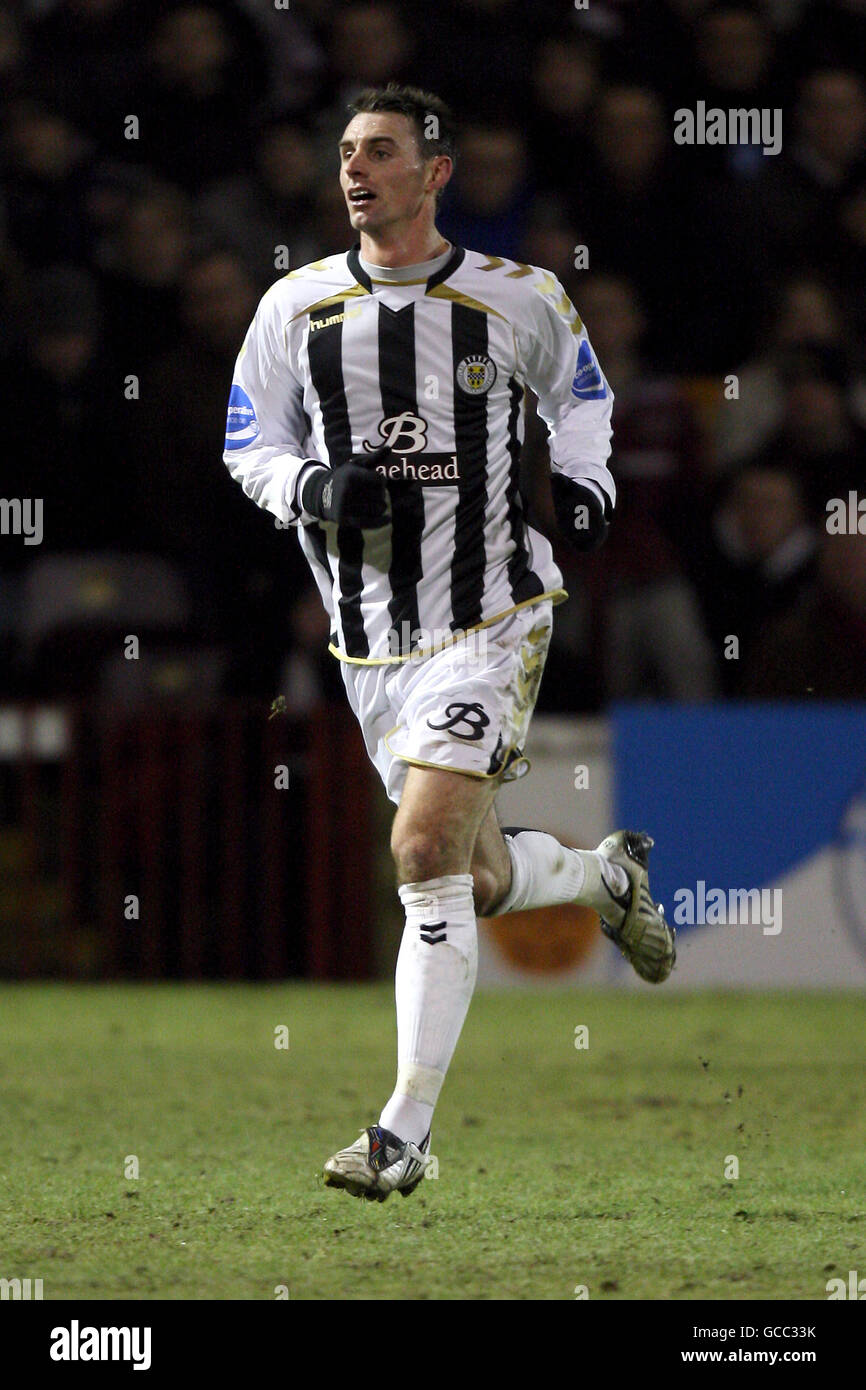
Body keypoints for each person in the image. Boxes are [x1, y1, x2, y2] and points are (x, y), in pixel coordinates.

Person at [222, 84, 675, 1202]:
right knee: (467, 869)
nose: (353, 168)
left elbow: (581, 399)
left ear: (434, 173)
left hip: (489, 619)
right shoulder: (294, 306)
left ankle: (399, 1135)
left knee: (421, 855)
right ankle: (598, 872)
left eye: (378, 150)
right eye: (343, 151)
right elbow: (246, 441)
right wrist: (314, 483)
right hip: (369, 640)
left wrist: (584, 482)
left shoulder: (515, 296)